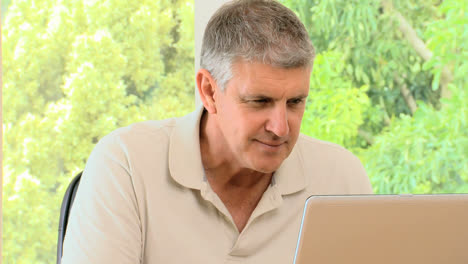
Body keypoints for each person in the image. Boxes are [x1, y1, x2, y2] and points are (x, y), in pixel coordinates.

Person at [61, 0, 372, 263]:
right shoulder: (124, 165)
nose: (280, 128)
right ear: (209, 91)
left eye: (295, 102)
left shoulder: (342, 179)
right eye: (259, 101)